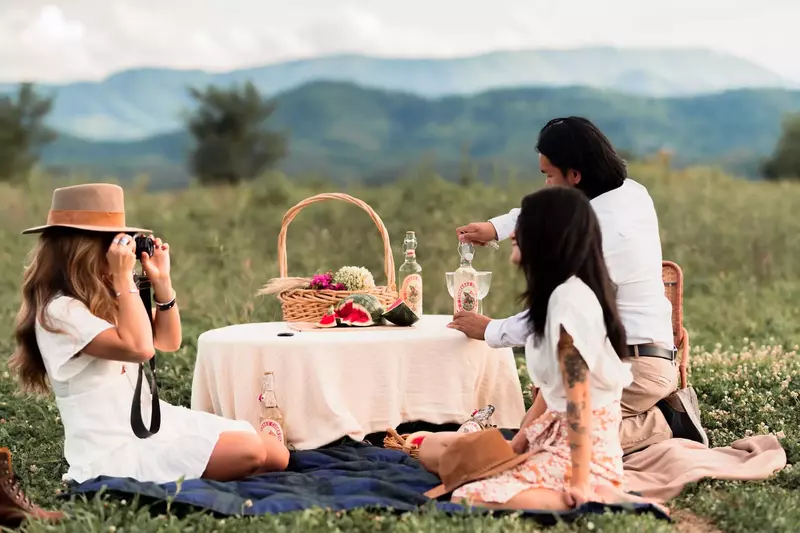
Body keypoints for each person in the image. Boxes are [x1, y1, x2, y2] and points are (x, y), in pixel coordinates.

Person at [450, 117, 706, 454]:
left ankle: (666, 423)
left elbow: (556, 314)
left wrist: (490, 330)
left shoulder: (602, 237)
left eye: (548, 175)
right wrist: (496, 227)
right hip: (614, 357)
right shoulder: (630, 191)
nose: (545, 184)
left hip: (635, 368)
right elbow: (558, 209)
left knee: (551, 440)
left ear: (575, 175)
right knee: (532, 432)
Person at [8, 183, 290, 486]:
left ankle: (225, 463)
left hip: (157, 425)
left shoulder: (104, 298)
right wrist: (123, 278)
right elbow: (140, 348)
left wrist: (162, 283)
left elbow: (168, 341)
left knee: (276, 454)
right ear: (82, 248)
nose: (124, 250)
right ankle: (225, 463)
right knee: (250, 451)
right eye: (116, 241)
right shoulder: (60, 310)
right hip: (116, 449)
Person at [420, 186, 664, 512]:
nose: (514, 234)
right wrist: (520, 439)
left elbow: (578, 399)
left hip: (581, 451)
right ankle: (549, 480)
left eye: (525, 225)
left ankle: (598, 494)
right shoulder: (555, 296)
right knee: (431, 448)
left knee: (470, 495)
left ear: (548, 236)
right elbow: (553, 390)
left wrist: (579, 480)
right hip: (549, 433)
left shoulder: (569, 303)